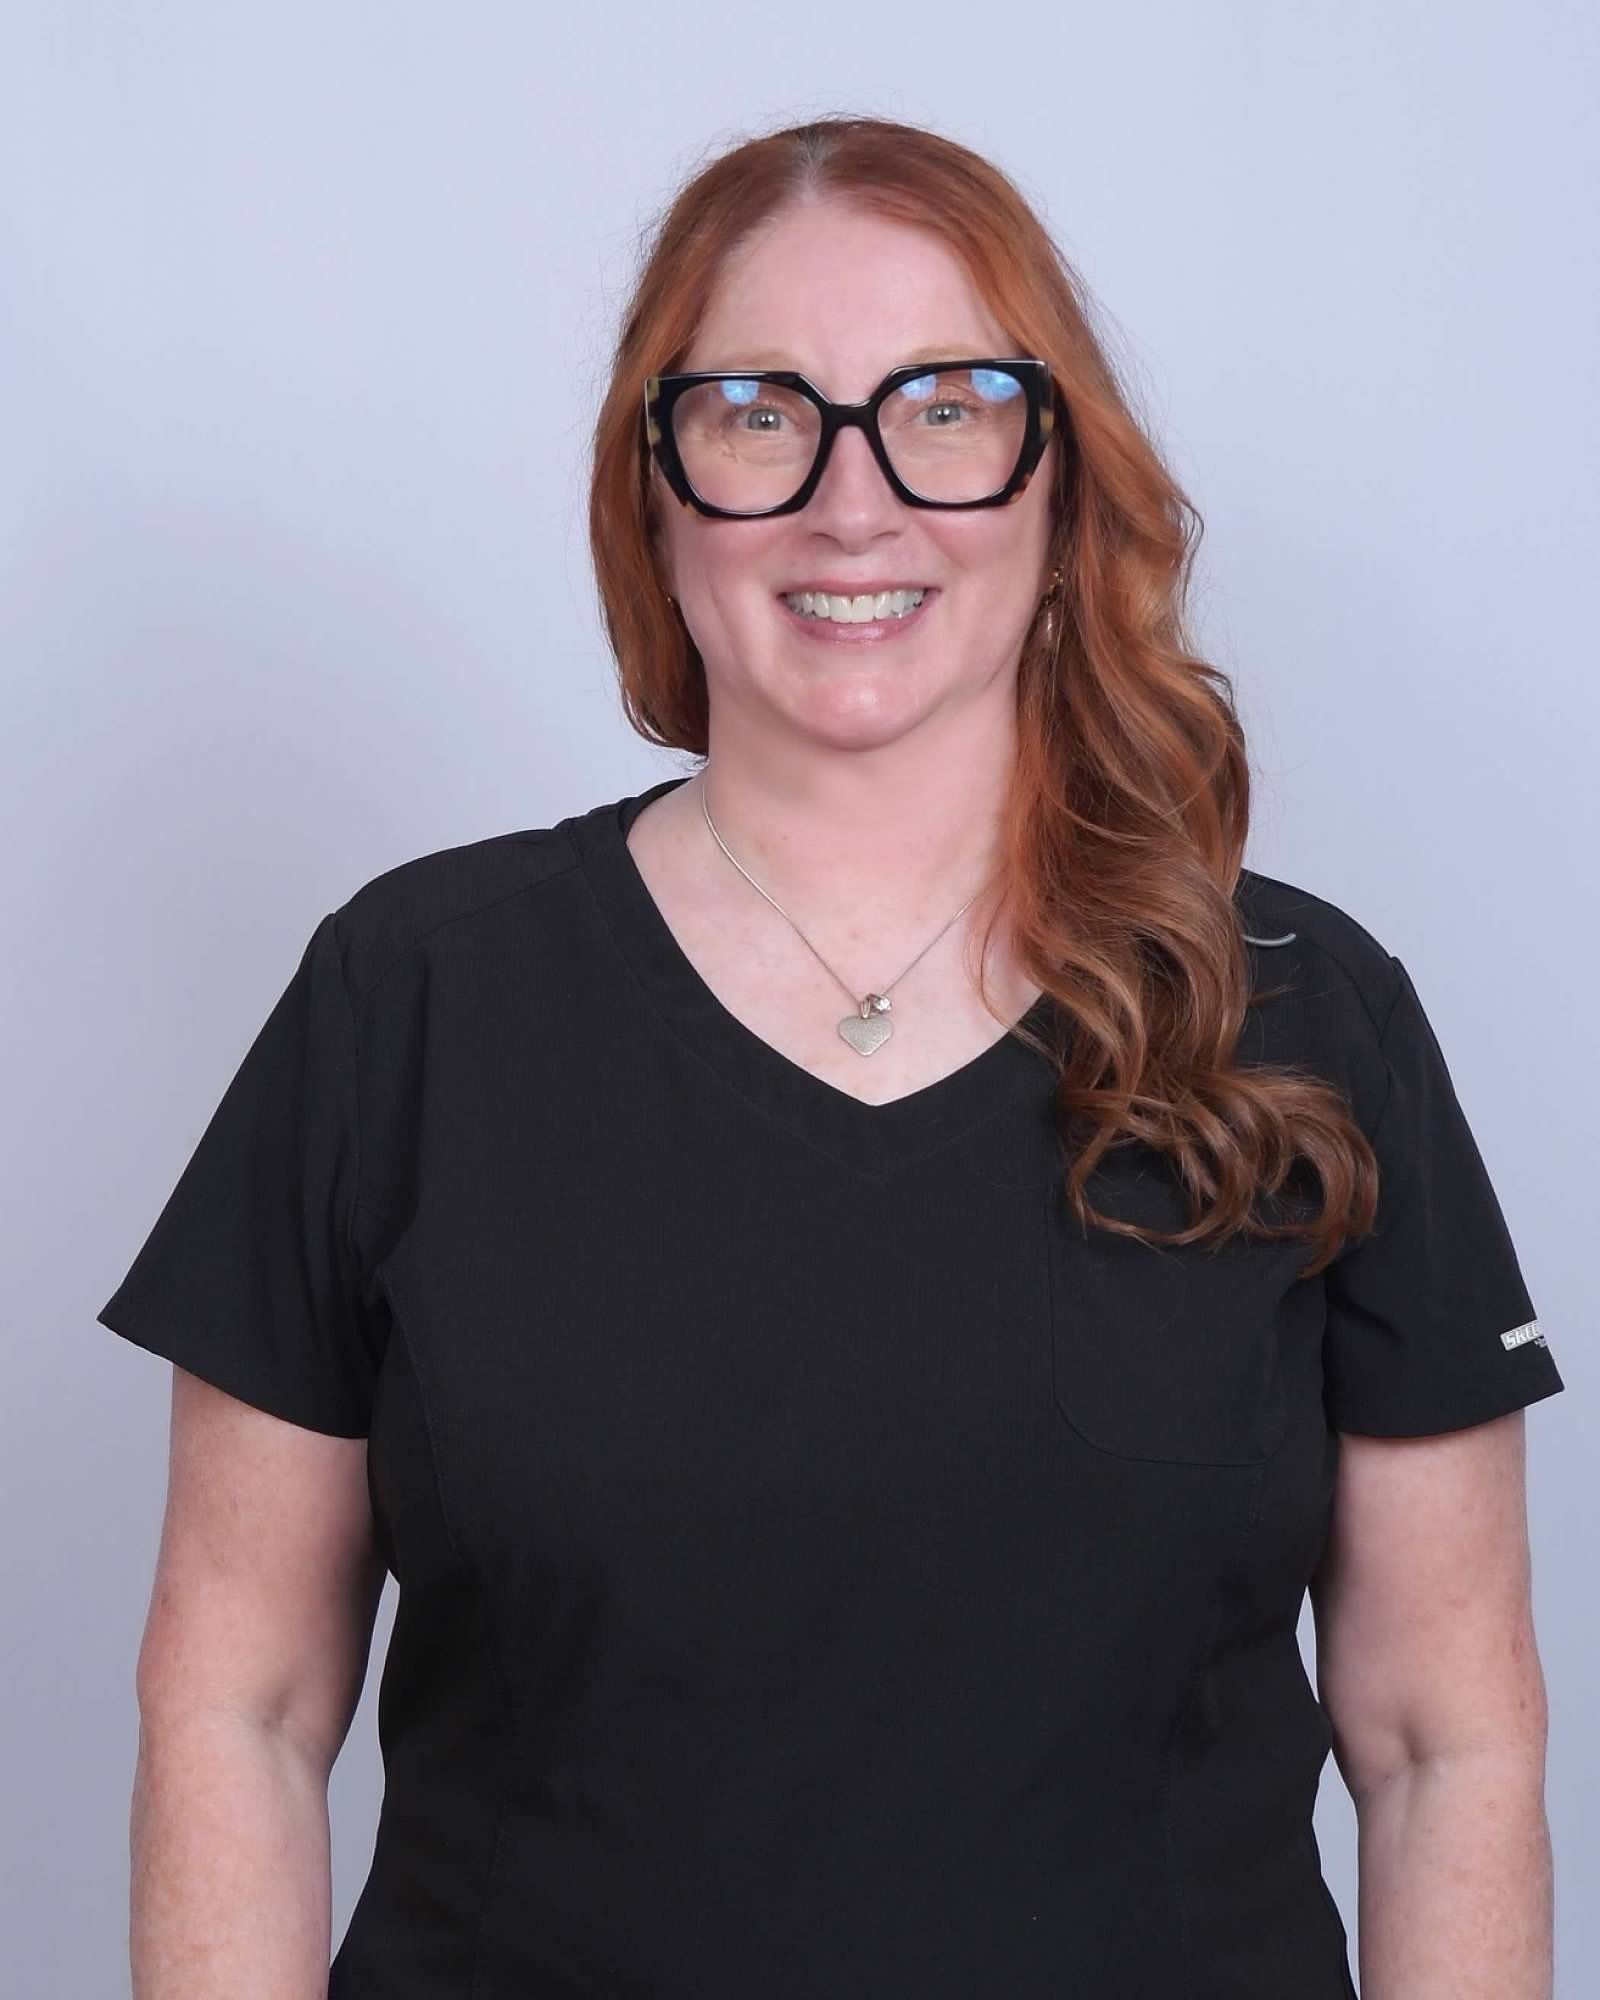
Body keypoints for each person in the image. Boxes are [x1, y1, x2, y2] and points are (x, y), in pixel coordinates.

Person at [98, 115, 1566, 1998]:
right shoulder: (413, 999)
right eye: (759, 414)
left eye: (947, 407)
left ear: (1060, 487)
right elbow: (245, 1699)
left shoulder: (1301, 1011)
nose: (849, 502)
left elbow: (1447, 1743)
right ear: (658, 492)